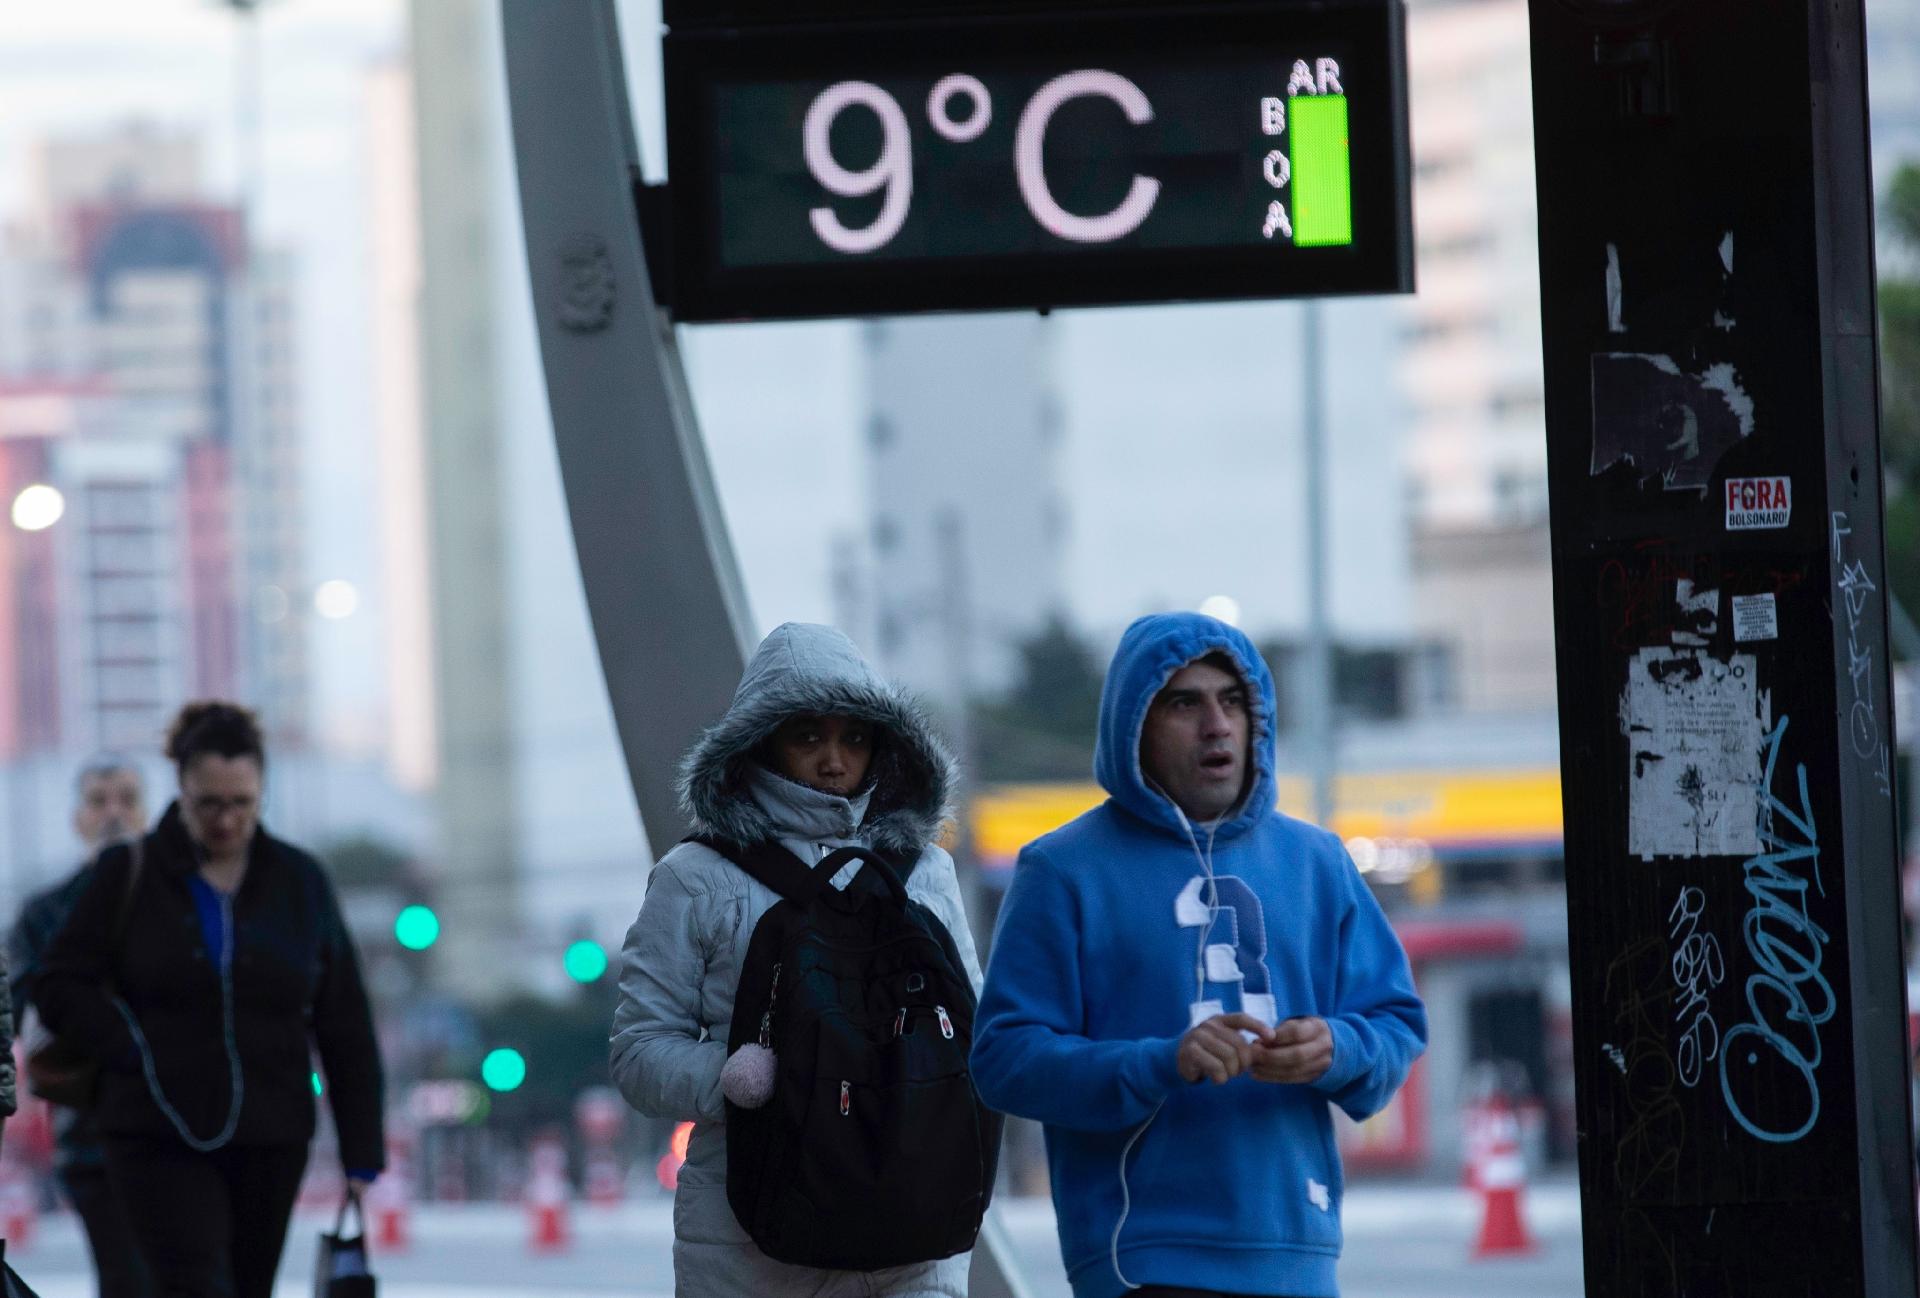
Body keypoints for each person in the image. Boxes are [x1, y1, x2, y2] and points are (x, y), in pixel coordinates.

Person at [972, 612, 1428, 1298]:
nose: (1217, 724)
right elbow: (1004, 1060)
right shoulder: (1061, 870)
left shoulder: (1319, 861)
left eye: (1233, 700)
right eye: (1185, 702)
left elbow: (1397, 1022)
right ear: (1134, 725)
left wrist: (1338, 1047)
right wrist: (1160, 1062)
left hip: (1300, 1257)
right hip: (1143, 1265)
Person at [610, 622, 984, 1298]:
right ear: (762, 742)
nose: (835, 760)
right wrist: (734, 1078)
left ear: (884, 744)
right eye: (808, 736)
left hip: (909, 1224)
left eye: (855, 736)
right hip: (752, 1231)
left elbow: (975, 1033)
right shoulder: (696, 876)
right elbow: (638, 1052)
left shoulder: (924, 869)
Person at [37, 702, 385, 1298]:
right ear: (182, 790)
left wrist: (361, 1153)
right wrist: (128, 1049)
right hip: (154, 1130)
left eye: (241, 804)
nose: (226, 820)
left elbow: (344, 1020)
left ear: (261, 794)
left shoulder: (299, 881)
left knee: (250, 1288)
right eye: (209, 804)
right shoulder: (128, 873)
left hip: (272, 1133)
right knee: (192, 1286)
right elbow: (59, 984)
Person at [9, 755, 154, 1298]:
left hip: (187, 1132)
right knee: (125, 1281)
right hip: (92, 1133)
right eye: (99, 800)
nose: (113, 812)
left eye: (126, 799)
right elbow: (17, 1013)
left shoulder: (182, 903)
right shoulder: (44, 911)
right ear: (79, 818)